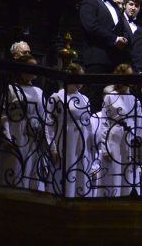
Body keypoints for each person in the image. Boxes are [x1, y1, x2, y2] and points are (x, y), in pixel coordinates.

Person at [0, 54, 48, 191]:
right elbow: (4, 115)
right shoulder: (11, 89)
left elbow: (43, 115)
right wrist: (7, 137)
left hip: (33, 136)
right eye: (31, 67)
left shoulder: (38, 91)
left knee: (31, 170)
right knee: (14, 168)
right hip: (16, 133)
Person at [95, 63, 142, 197]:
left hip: (130, 140)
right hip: (114, 138)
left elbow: (139, 124)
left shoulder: (134, 99)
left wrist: (138, 146)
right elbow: (104, 122)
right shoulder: (110, 97)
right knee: (114, 172)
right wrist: (105, 147)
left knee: (128, 173)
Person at [46, 63, 93, 197]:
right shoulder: (57, 97)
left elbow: (88, 124)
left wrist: (90, 145)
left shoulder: (84, 99)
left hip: (82, 137)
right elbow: (49, 123)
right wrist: (52, 147)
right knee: (66, 167)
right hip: (65, 136)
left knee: (80, 168)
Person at [78, 0, 130, 76]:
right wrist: (115, 39)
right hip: (97, 58)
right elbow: (91, 27)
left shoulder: (115, 6)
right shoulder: (90, 2)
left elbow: (121, 27)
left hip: (115, 60)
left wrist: (124, 38)